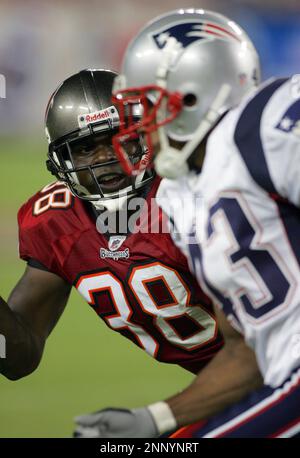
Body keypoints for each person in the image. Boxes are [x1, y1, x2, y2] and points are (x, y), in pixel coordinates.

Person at [79, 10, 300, 438]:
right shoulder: (179, 196)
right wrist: (157, 419)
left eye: (147, 103)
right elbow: (243, 349)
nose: (137, 122)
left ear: (195, 96)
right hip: (280, 379)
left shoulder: (262, 124)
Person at [0, 68, 224, 437]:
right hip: (231, 384)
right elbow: (16, 357)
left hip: (269, 368)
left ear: (146, 136)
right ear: (60, 161)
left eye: (118, 138)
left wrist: (157, 420)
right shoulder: (54, 221)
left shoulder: (194, 200)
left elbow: (260, 344)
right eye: (86, 148)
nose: (107, 158)